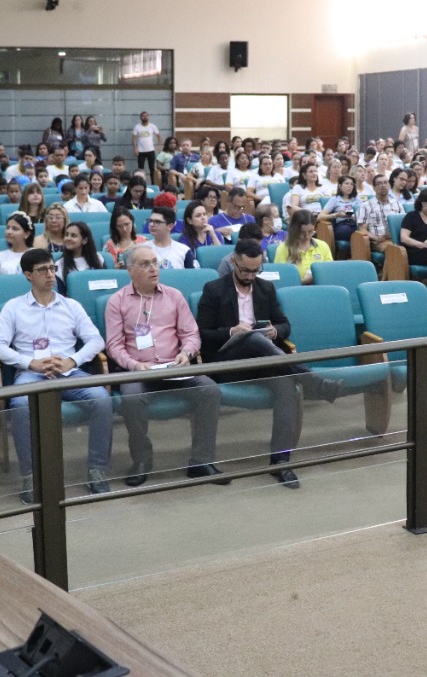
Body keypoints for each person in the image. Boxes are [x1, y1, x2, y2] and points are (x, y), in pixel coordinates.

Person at [197, 240, 335, 489]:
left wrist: (275, 330)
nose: (250, 276)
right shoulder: (214, 289)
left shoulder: (266, 289)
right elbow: (202, 334)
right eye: (244, 271)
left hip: (261, 361)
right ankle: (313, 381)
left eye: (255, 271)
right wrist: (231, 331)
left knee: (285, 386)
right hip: (226, 362)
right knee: (250, 336)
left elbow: (285, 325)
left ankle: (280, 462)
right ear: (233, 263)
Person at [0, 248, 113, 501]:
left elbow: (95, 340)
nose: (50, 274)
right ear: (27, 275)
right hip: (32, 374)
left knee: (102, 399)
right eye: (42, 270)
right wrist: (30, 363)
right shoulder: (13, 308)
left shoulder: (70, 305)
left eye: (52, 269)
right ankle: (30, 476)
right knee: (21, 404)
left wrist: (71, 361)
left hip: (69, 372)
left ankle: (97, 470)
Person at [104, 244, 225, 486]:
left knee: (209, 390)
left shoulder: (174, 296)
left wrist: (186, 353)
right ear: (130, 271)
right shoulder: (116, 302)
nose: (153, 269)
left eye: (155, 263)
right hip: (140, 370)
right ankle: (141, 460)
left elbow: (191, 334)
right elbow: (114, 345)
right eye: (145, 264)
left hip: (175, 366)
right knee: (131, 398)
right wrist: (134, 365)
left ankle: (201, 461)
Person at [275, 209, 333, 284]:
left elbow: (329, 271)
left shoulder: (323, 245)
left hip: (320, 288)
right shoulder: (283, 248)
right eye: (302, 232)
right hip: (294, 290)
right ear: (294, 230)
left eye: (310, 231)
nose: (307, 236)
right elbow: (281, 277)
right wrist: (303, 281)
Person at [356, 172, 404, 253]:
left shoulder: (397, 203)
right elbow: (362, 230)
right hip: (379, 242)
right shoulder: (365, 206)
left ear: (389, 185)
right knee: (395, 250)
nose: (383, 185)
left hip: (396, 239)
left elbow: (404, 223)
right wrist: (376, 238)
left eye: (385, 183)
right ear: (374, 187)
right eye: (379, 183)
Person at [131, 111, 160, 179]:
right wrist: (135, 148)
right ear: (140, 117)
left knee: (152, 168)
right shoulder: (137, 127)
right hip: (141, 151)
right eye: (143, 116)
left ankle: (153, 183)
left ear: (148, 117)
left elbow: (158, 136)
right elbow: (134, 138)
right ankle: (140, 181)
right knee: (140, 168)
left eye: (146, 115)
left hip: (151, 150)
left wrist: (159, 146)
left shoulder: (152, 126)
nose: (145, 117)